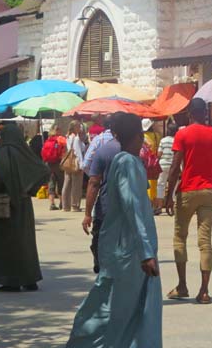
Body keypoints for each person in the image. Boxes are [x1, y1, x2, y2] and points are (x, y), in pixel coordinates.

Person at [67, 113, 162, 347]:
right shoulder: (128, 162)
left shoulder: (124, 160)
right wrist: (146, 250)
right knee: (120, 308)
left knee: (119, 304)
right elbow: (134, 207)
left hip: (124, 247)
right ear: (139, 135)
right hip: (130, 250)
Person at [164, 98, 212, 304]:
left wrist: (168, 195)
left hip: (188, 190)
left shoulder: (182, 134)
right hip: (208, 190)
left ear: (190, 113)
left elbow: (174, 168)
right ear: (205, 113)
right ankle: (205, 291)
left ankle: (182, 285)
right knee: (205, 241)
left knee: (180, 237)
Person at [0, 122, 49, 292]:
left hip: (7, 205)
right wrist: (30, 188)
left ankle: (11, 280)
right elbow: (42, 171)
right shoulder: (24, 150)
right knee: (25, 242)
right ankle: (29, 279)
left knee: (7, 243)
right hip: (23, 205)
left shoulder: (4, 152)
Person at [82, 116, 122, 274]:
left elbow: (90, 176)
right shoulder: (133, 149)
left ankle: (102, 268)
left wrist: (87, 214)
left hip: (105, 205)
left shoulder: (101, 146)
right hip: (126, 208)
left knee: (99, 241)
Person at [62, 121, 86, 213]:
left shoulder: (67, 136)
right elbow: (78, 152)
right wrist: (81, 165)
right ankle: (75, 205)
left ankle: (65, 205)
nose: (80, 128)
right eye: (79, 127)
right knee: (76, 185)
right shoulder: (76, 138)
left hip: (68, 162)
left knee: (67, 183)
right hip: (76, 162)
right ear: (75, 127)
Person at [41, 125, 66, 211]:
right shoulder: (60, 139)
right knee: (61, 183)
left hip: (48, 163)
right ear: (58, 130)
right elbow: (64, 151)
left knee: (51, 184)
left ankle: (52, 204)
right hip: (58, 163)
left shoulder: (48, 140)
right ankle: (62, 203)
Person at [155, 123, 177, 215]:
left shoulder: (163, 140)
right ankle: (173, 206)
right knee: (174, 185)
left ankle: (160, 206)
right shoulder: (176, 140)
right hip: (173, 165)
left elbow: (159, 154)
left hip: (163, 164)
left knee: (161, 185)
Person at [141, 119, 162, 211]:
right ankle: (154, 204)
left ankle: (150, 205)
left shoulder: (143, 137)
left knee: (147, 183)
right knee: (154, 183)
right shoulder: (157, 136)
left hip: (145, 162)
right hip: (155, 162)